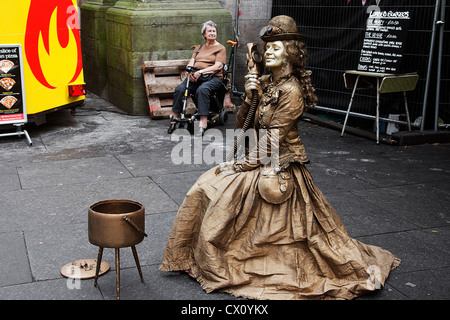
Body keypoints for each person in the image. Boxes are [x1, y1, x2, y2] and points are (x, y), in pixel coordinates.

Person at [160, 15, 400, 300]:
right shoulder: (266, 82)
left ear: (291, 54)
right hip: (257, 155)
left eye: (276, 48)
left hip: (278, 163)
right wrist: (250, 96)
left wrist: (238, 165)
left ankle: (221, 260)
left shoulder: (292, 92)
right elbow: (243, 125)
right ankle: (199, 256)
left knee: (219, 192)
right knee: (206, 186)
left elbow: (273, 139)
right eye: (268, 48)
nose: (269, 52)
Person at [169, 20, 226, 135]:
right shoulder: (199, 48)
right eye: (209, 31)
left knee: (202, 90)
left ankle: (203, 122)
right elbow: (192, 62)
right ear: (204, 34)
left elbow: (217, 66)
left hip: (213, 78)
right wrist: (189, 73)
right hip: (196, 76)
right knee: (180, 89)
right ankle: (175, 119)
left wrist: (201, 72)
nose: (212, 33)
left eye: (214, 31)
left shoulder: (220, 48)